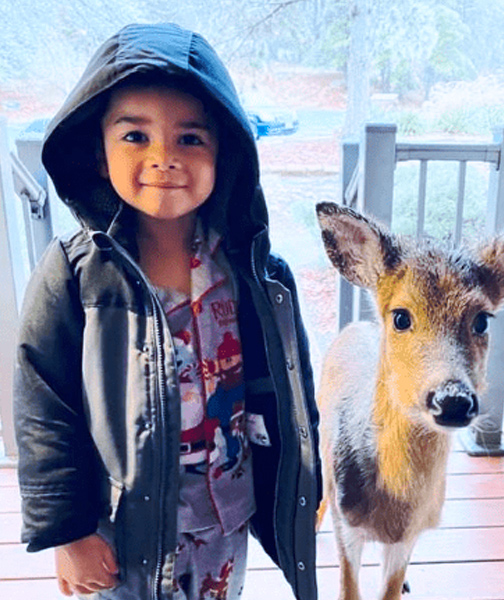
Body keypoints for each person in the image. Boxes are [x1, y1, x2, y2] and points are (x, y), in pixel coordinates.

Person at [13, 23, 321, 600]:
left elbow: (291, 394)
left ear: (224, 154)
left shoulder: (256, 273)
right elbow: (43, 405)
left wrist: (301, 489)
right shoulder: (76, 274)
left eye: (190, 139)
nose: (164, 159)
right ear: (99, 156)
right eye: (135, 136)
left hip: (223, 515)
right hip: (119, 523)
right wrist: (69, 532)